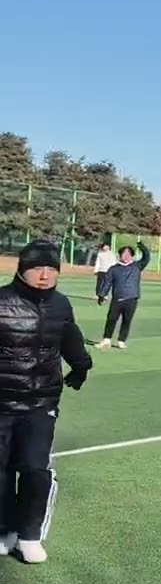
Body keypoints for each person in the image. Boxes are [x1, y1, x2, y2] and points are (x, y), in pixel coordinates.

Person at [0, 240, 93, 564]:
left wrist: (80, 366)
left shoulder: (61, 305)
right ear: (22, 269)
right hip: (2, 402)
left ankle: (29, 536)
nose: (44, 275)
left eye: (51, 269)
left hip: (41, 403)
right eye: (37, 268)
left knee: (34, 468)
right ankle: (4, 531)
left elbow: (70, 338)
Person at [96, 240, 150, 350]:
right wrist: (102, 294)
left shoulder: (137, 266)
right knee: (111, 319)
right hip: (117, 299)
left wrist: (143, 248)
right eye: (123, 253)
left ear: (132, 256)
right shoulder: (114, 269)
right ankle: (106, 340)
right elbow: (107, 283)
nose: (126, 256)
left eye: (128, 254)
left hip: (131, 299)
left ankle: (121, 340)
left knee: (127, 320)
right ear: (120, 255)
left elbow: (146, 258)